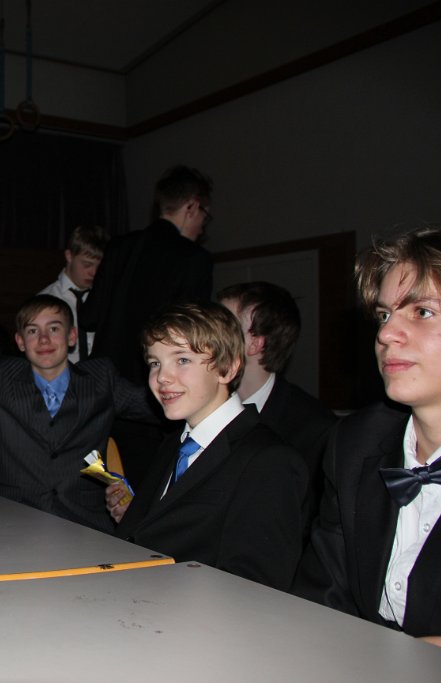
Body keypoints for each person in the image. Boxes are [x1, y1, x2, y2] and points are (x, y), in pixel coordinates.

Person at [294, 226, 441, 657]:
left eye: (422, 312)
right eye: (383, 315)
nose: (386, 334)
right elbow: (320, 600)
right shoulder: (355, 443)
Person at [110, 302, 307, 590]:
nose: (162, 377)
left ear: (227, 369)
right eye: (155, 363)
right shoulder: (175, 444)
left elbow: (255, 586)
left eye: (182, 360)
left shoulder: (269, 460)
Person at [0, 294, 157, 533]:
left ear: (71, 336)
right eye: (33, 331)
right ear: (20, 342)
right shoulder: (5, 380)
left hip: (84, 523)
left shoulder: (100, 380)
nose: (43, 339)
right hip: (14, 521)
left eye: (53, 329)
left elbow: (156, 407)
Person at [79, 165, 215, 485]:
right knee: (144, 495)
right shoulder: (194, 259)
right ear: (192, 206)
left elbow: (89, 317)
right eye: (204, 216)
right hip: (153, 400)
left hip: (101, 396)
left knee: (100, 488)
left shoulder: (119, 247)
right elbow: (192, 338)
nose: (202, 226)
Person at [217, 281, 336, 535]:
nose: (208, 333)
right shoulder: (202, 406)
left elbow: (309, 527)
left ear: (255, 344)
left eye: (223, 324)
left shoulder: (314, 428)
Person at [39, 225, 110, 364]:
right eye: (87, 265)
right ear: (69, 256)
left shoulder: (107, 298)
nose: (94, 273)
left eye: (99, 266)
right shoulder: (45, 300)